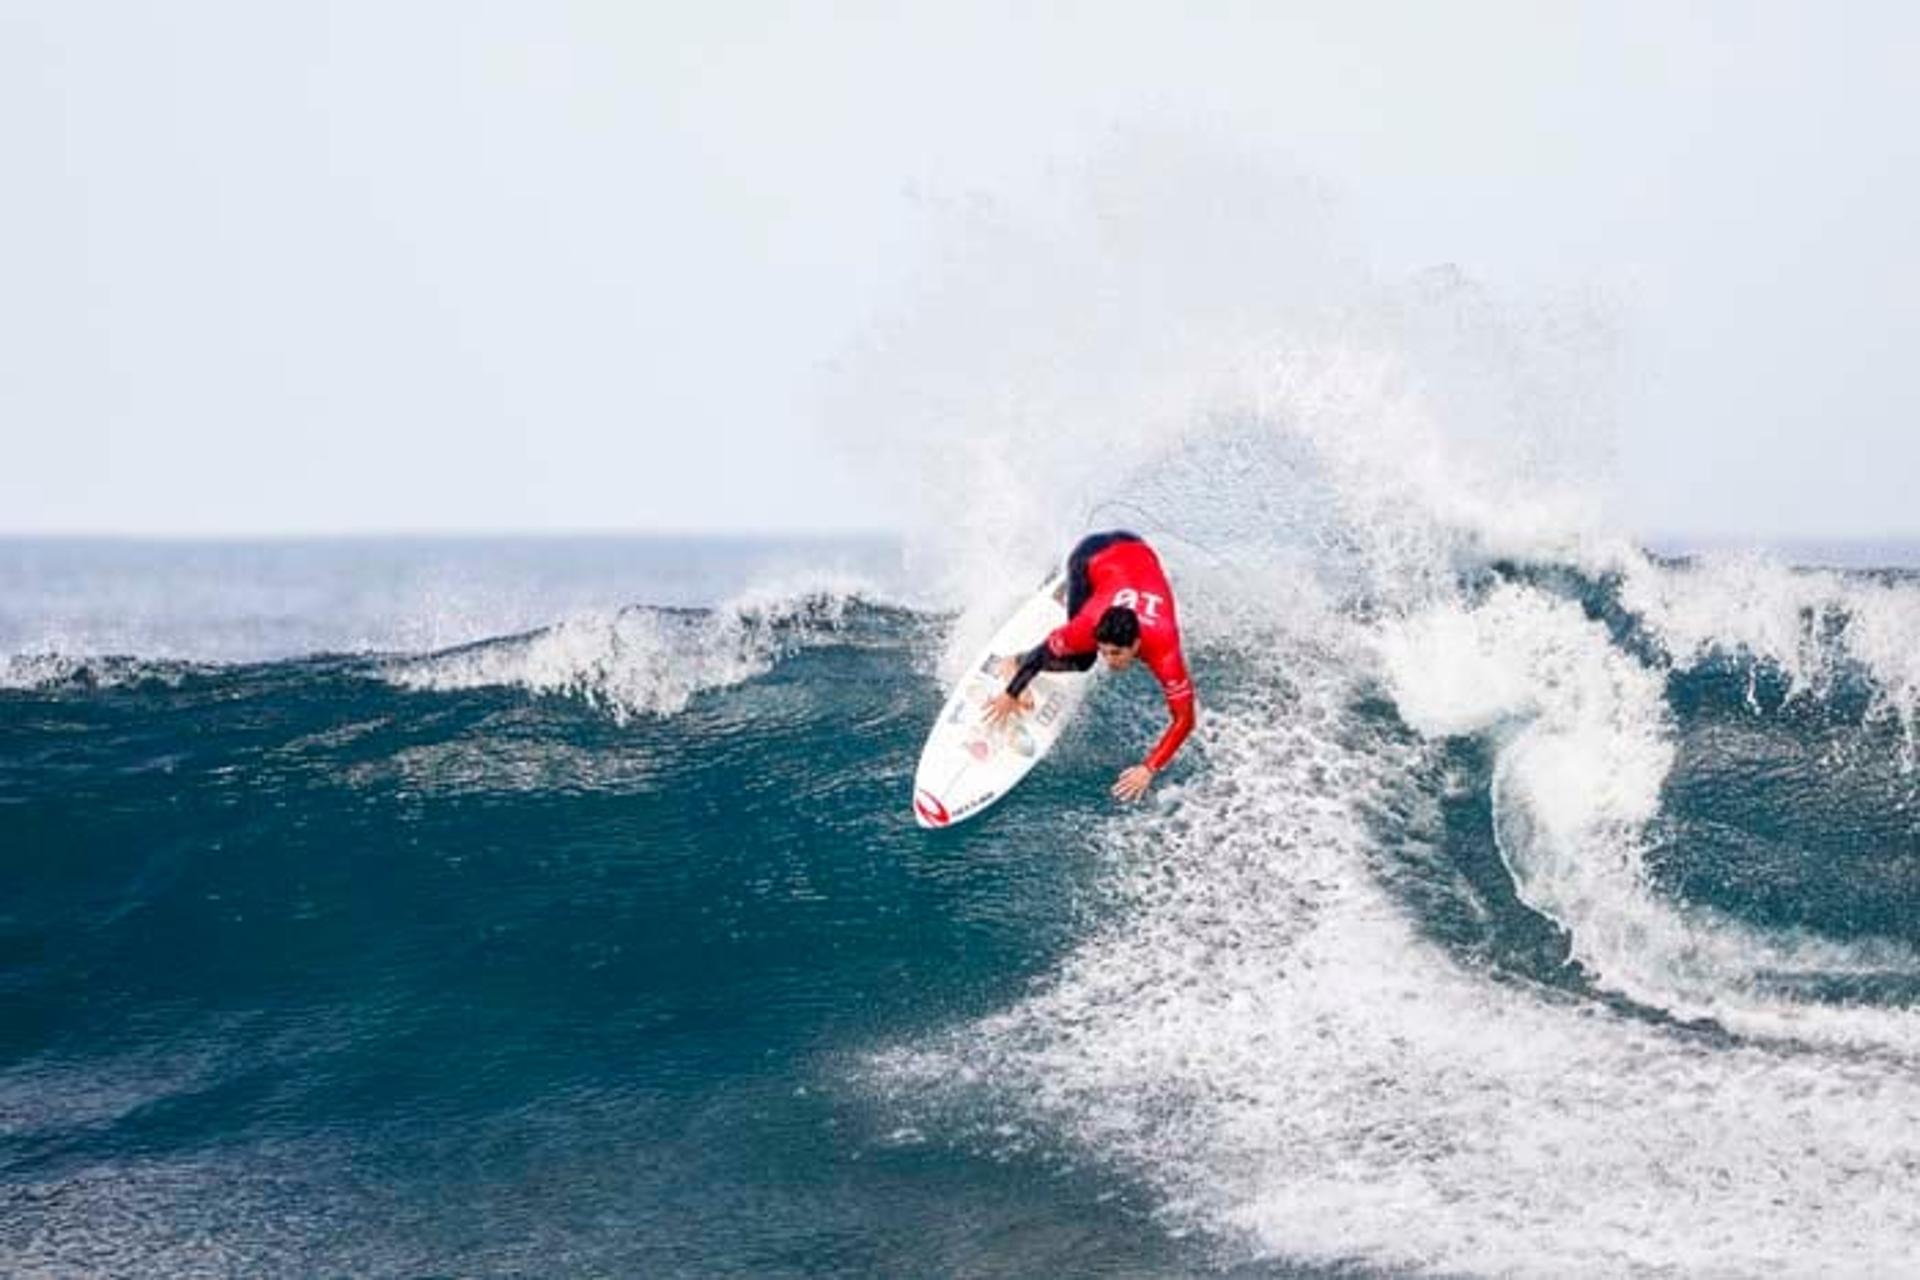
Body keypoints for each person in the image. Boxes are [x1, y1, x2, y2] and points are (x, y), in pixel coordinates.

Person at [983, 531, 1196, 802]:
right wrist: (1011, 693)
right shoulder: (1087, 626)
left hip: (1138, 548)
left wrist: (1148, 767)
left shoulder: (1165, 647)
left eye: (1116, 653)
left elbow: (1185, 720)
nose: (1108, 659)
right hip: (1089, 555)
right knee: (1084, 660)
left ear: (1137, 644)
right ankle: (1017, 656)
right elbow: (1040, 654)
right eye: (1105, 650)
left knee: (1088, 635)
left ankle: (1073, 592)